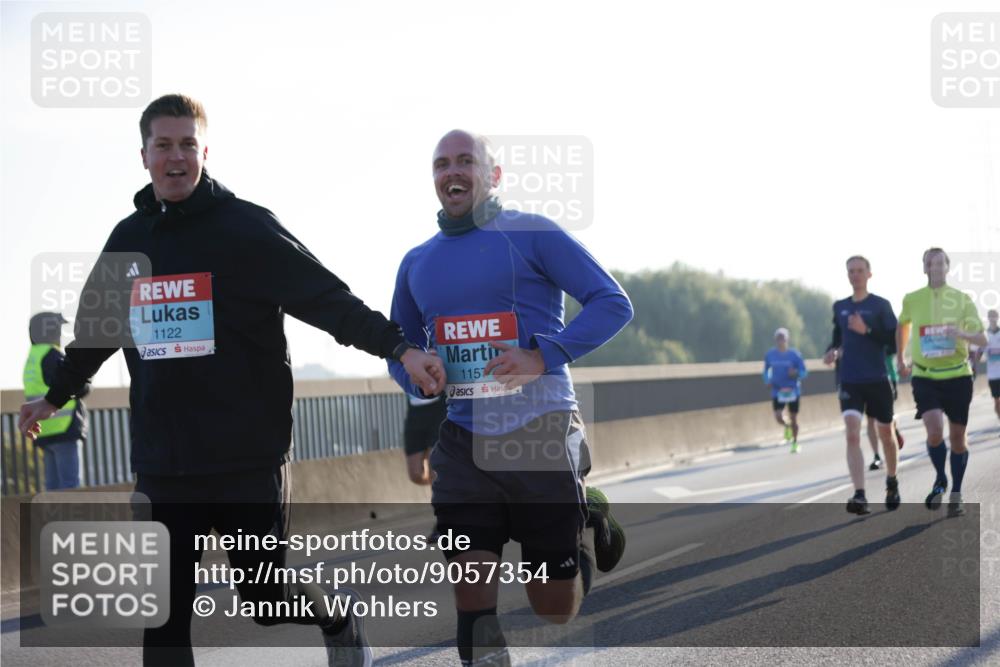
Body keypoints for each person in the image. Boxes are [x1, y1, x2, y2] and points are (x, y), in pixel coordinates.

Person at [18, 94, 445, 667]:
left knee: (265, 599)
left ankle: (335, 614)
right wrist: (53, 394)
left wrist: (399, 347)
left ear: (204, 151)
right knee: (163, 619)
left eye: (187, 145)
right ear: (143, 155)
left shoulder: (245, 228)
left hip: (247, 456)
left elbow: (327, 300)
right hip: (163, 462)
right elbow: (95, 335)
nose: (176, 158)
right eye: (163, 146)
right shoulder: (127, 241)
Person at [388, 130, 633, 666]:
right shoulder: (416, 263)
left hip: (541, 428)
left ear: (493, 175)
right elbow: (399, 349)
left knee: (555, 609)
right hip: (463, 439)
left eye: (465, 161)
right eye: (441, 164)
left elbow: (612, 303)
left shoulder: (532, 233)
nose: (452, 172)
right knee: (471, 595)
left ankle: (586, 517)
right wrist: (418, 375)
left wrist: (541, 355)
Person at [896, 247, 987, 517]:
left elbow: (981, 339)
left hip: (958, 375)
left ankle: (956, 492)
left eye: (939, 263)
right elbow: (902, 325)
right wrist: (901, 358)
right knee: (934, 431)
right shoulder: (912, 299)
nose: (934, 267)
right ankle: (940, 478)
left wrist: (959, 332)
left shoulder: (961, 300)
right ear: (924, 268)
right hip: (924, 375)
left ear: (947, 267)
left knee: (958, 438)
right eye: (929, 263)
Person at [822, 256, 900, 514]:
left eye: (859, 271)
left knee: (886, 435)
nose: (854, 275)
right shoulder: (840, 307)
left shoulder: (880, 306)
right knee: (852, 432)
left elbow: (893, 341)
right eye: (850, 271)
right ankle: (860, 494)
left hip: (877, 378)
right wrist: (831, 352)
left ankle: (891, 480)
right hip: (850, 380)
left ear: (869, 274)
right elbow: (837, 338)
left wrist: (866, 330)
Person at [23, 312, 89, 490]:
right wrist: (85, 383)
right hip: (64, 429)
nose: (60, 334)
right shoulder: (52, 356)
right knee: (70, 486)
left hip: (45, 431)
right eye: (58, 329)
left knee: (52, 487)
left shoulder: (33, 357)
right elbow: (75, 386)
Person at [763, 328, 808, 453]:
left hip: (793, 390)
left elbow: (804, 372)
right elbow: (766, 370)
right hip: (778, 390)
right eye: (778, 338)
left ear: (787, 339)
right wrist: (767, 380)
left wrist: (796, 373)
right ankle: (787, 426)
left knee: (794, 418)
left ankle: (795, 443)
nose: (780, 341)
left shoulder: (795, 355)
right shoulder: (770, 355)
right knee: (778, 416)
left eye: (782, 338)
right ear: (775, 340)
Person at [865, 352, 905, 471]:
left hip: (887, 377)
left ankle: (894, 429)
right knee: (870, 418)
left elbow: (894, 347)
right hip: (866, 379)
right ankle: (877, 456)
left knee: (887, 417)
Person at [403, 393, 447, 485]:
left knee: (434, 472)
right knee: (415, 475)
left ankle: (440, 492)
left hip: (439, 410)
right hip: (414, 412)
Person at [985, 309, 1000, 425]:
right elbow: (978, 353)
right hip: (992, 374)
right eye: (990, 316)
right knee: (997, 402)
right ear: (988, 318)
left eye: (994, 316)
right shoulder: (984, 335)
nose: (992, 318)